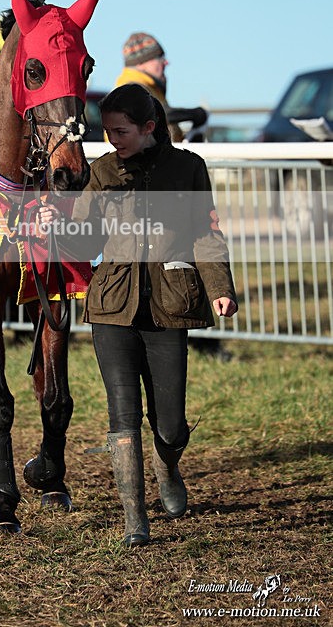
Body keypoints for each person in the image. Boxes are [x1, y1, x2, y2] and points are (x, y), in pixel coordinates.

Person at [37, 84, 238, 547]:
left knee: (169, 422)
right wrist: (59, 228)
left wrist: (220, 288)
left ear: (149, 127)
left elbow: (206, 235)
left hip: (171, 305)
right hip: (112, 307)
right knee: (121, 415)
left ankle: (168, 468)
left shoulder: (188, 168)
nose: (112, 141)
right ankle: (135, 519)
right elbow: (87, 241)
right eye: (106, 132)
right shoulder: (101, 171)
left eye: (121, 131)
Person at [115, 32, 184, 142]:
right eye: (159, 57)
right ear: (141, 62)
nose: (166, 62)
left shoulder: (152, 89)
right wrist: (195, 114)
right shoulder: (130, 90)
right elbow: (154, 114)